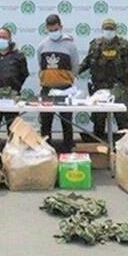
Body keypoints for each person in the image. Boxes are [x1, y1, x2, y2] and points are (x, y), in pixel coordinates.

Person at [78, 18, 128, 139]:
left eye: (111, 29)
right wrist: (74, 71)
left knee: (122, 118)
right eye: (106, 29)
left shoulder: (124, 46)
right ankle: (99, 145)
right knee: (99, 119)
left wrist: (126, 79)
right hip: (100, 87)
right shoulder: (95, 45)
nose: (108, 31)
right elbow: (87, 62)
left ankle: (125, 145)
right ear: (102, 30)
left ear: (115, 30)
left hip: (119, 86)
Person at [37, 14, 80, 152]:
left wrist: (66, 80)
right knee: (45, 121)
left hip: (65, 88)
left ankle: (68, 148)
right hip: (47, 88)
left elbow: (75, 66)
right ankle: (45, 149)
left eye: (55, 29)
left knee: (66, 120)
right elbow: (41, 65)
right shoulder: (42, 45)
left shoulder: (70, 45)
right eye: (50, 30)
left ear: (61, 27)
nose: (53, 33)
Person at [0, 27, 29, 143]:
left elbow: (24, 74)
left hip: (11, 99)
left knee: (13, 130)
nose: (1, 39)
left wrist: (15, 87)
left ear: (10, 39)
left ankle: (12, 156)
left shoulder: (18, 55)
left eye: (4, 37)